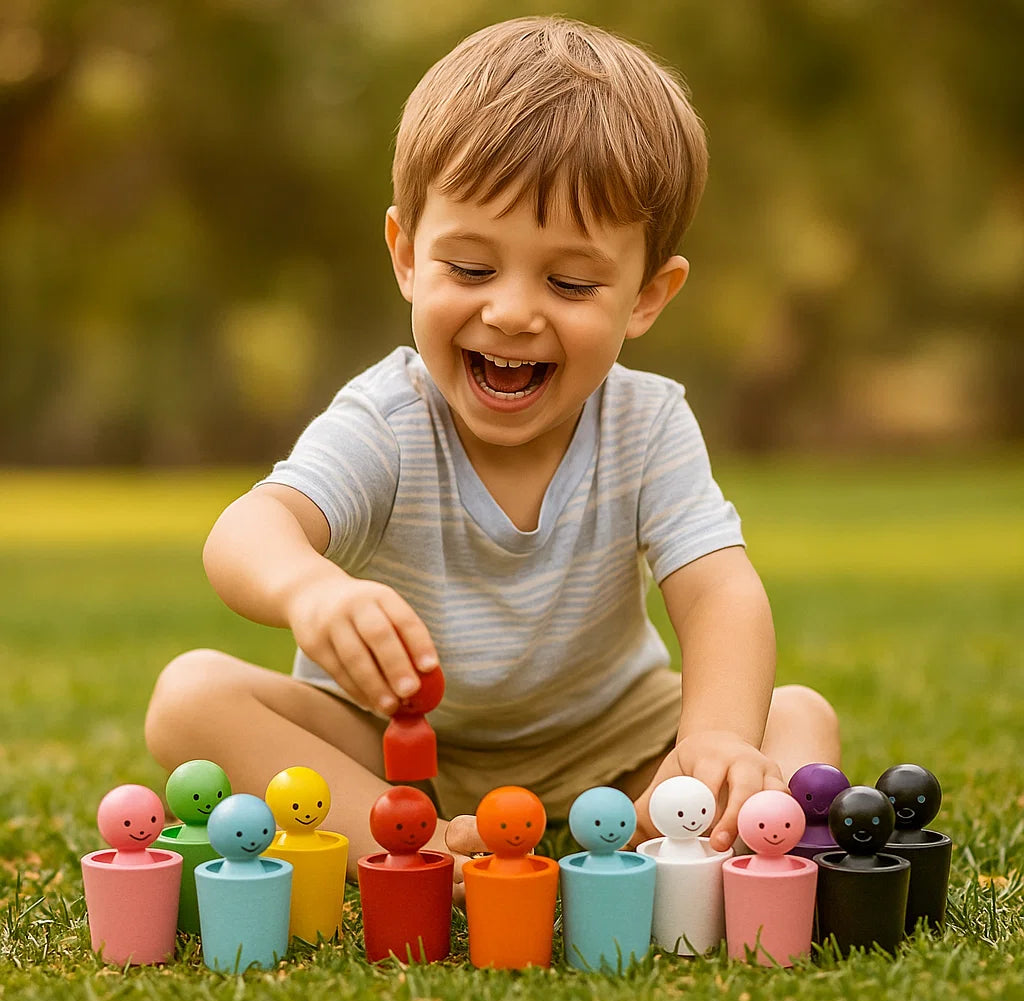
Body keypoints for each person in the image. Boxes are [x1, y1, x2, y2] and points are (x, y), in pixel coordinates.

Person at [145, 16, 840, 890]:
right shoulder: (388, 418)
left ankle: (698, 843)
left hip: (612, 744)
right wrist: (308, 588)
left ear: (646, 297)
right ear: (405, 255)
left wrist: (714, 734)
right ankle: (409, 846)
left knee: (794, 715)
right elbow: (250, 528)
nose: (511, 312)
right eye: (470, 269)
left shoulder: (648, 423)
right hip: (393, 749)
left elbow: (719, 593)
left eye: (571, 282)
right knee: (191, 696)